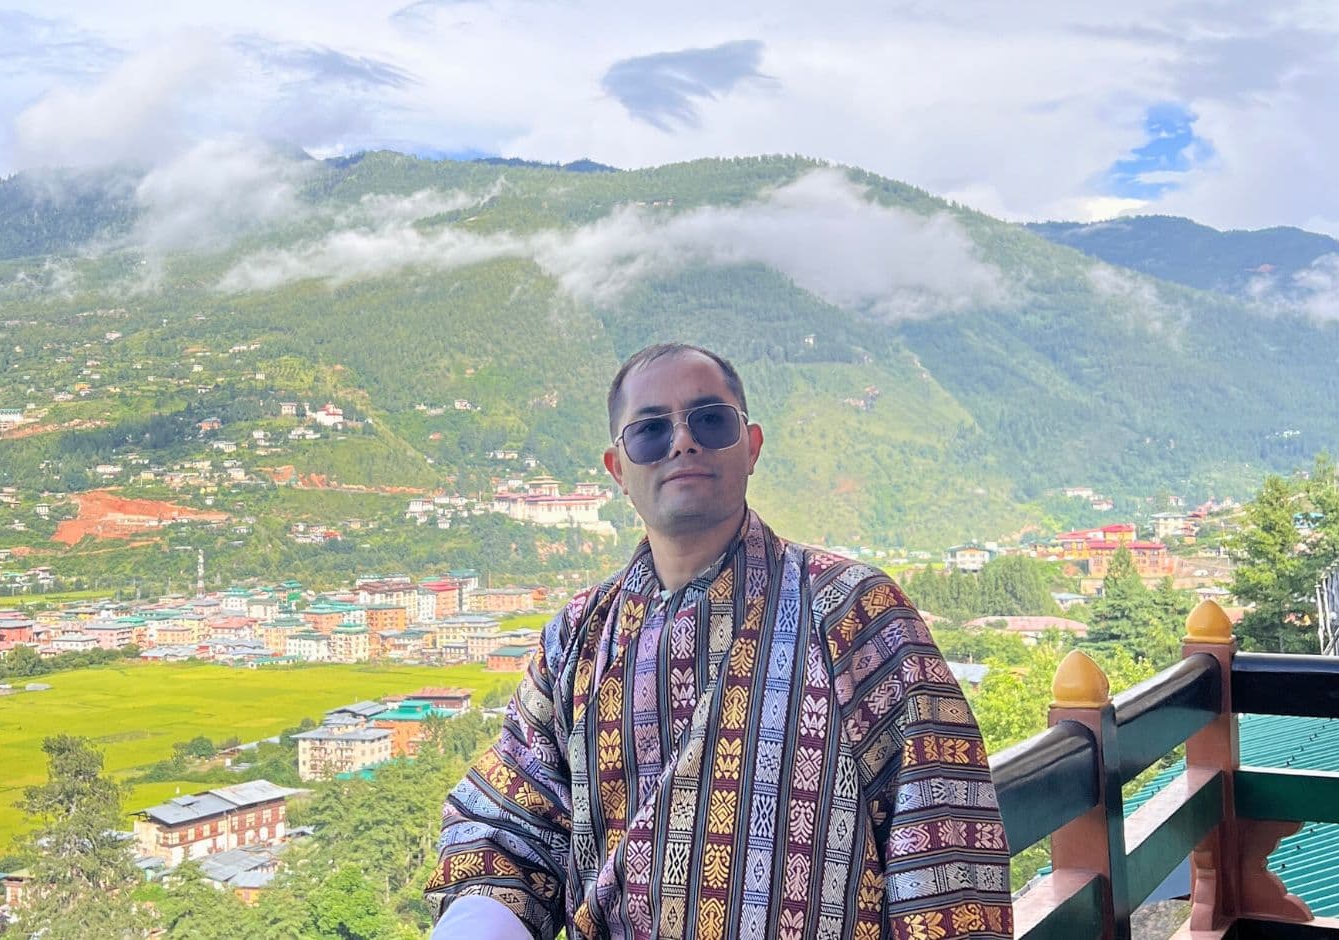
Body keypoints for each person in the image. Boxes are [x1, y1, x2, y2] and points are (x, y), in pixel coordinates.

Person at [426, 343, 1012, 939]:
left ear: (750, 446)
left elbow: (945, 848)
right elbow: (509, 829)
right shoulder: (577, 637)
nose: (683, 441)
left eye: (710, 420)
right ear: (618, 470)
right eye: (650, 431)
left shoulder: (852, 611)